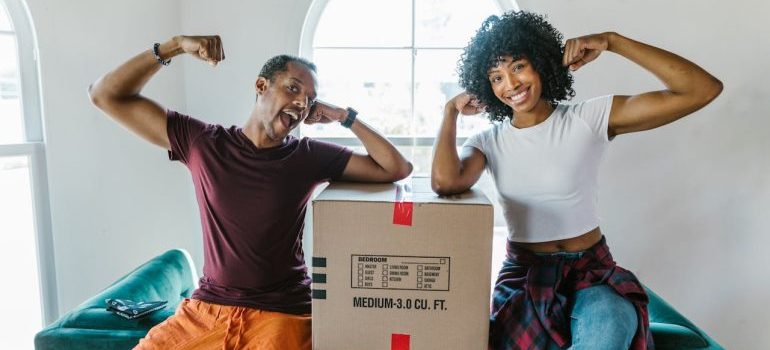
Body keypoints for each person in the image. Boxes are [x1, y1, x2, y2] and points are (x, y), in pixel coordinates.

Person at [88, 35, 412, 350]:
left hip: (282, 313)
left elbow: (396, 168)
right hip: (207, 311)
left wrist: (344, 116)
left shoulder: (307, 156)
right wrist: (175, 45)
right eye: (293, 88)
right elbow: (105, 95)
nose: (301, 103)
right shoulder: (203, 142)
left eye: (310, 100)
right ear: (261, 86)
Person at [431, 11, 721, 350]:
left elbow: (700, 90)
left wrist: (613, 41)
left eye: (518, 66)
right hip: (526, 277)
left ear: (539, 62)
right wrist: (449, 112)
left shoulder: (588, 118)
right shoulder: (487, 141)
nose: (510, 85)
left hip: (592, 272)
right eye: (495, 77)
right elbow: (445, 181)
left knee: (609, 327)